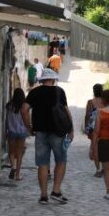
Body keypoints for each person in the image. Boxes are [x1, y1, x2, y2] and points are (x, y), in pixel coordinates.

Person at [23, 68, 72, 204]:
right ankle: (56, 191)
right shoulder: (59, 91)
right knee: (61, 161)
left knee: (43, 164)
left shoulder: (34, 92)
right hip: (58, 132)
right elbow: (66, 111)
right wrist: (71, 129)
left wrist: (28, 127)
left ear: (42, 80)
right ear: (53, 79)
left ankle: (43, 196)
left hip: (40, 132)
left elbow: (24, 109)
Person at [5, 88, 28, 181]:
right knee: (19, 154)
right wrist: (29, 128)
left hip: (11, 131)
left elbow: (7, 119)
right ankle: (18, 175)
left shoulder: (9, 105)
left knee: (11, 152)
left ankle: (13, 167)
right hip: (22, 132)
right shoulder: (24, 106)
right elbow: (27, 119)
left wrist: (5, 130)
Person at [83, 83, 104, 176]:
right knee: (103, 147)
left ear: (94, 91)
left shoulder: (90, 102)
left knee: (95, 147)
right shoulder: (105, 101)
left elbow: (87, 115)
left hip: (93, 127)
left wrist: (86, 127)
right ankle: (104, 168)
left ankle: (98, 170)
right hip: (103, 126)